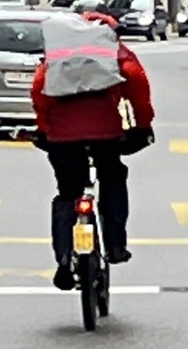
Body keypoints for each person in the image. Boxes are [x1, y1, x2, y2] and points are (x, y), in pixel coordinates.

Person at [30, 16, 155, 293]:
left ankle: (64, 260)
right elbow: (137, 83)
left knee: (67, 193)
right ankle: (115, 246)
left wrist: (43, 129)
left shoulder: (59, 53)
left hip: (63, 139)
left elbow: (40, 89)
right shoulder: (114, 51)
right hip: (106, 136)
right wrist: (142, 126)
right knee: (113, 178)